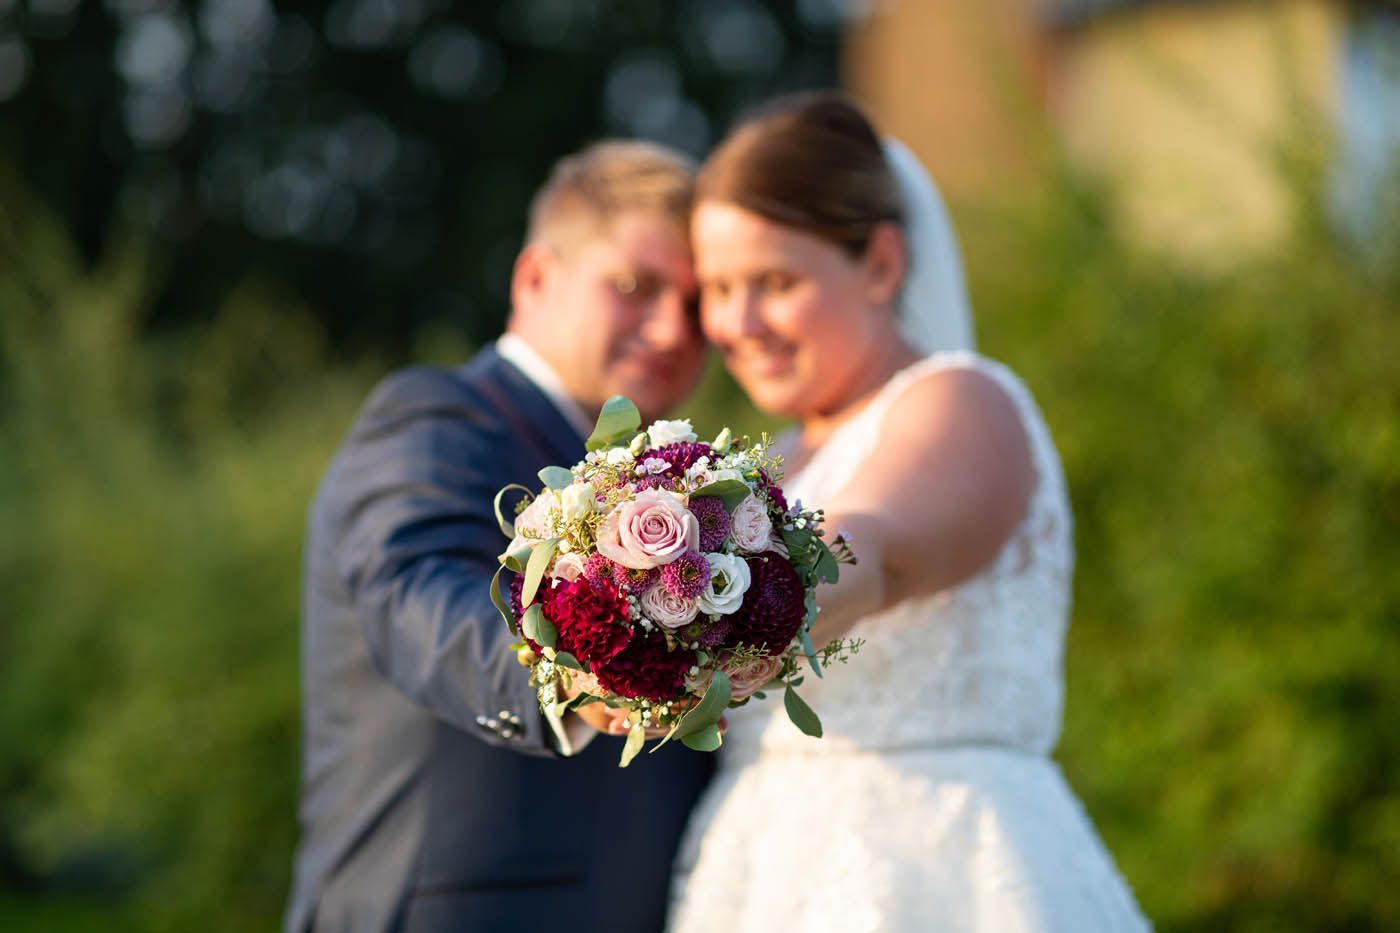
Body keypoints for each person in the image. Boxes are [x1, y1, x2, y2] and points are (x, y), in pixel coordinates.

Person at [667, 92, 1150, 931]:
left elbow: (877, 548)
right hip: (760, 872)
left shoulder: (962, 401)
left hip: (946, 869)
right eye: (717, 287)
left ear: (882, 264)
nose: (739, 323)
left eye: (775, 282)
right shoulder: (768, 463)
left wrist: (714, 608)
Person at [285, 140, 714, 933]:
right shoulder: (438, 415)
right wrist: (576, 680)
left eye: (694, 305)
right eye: (634, 286)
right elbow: (416, 595)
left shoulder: (689, 491)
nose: (668, 330)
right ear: (535, 278)